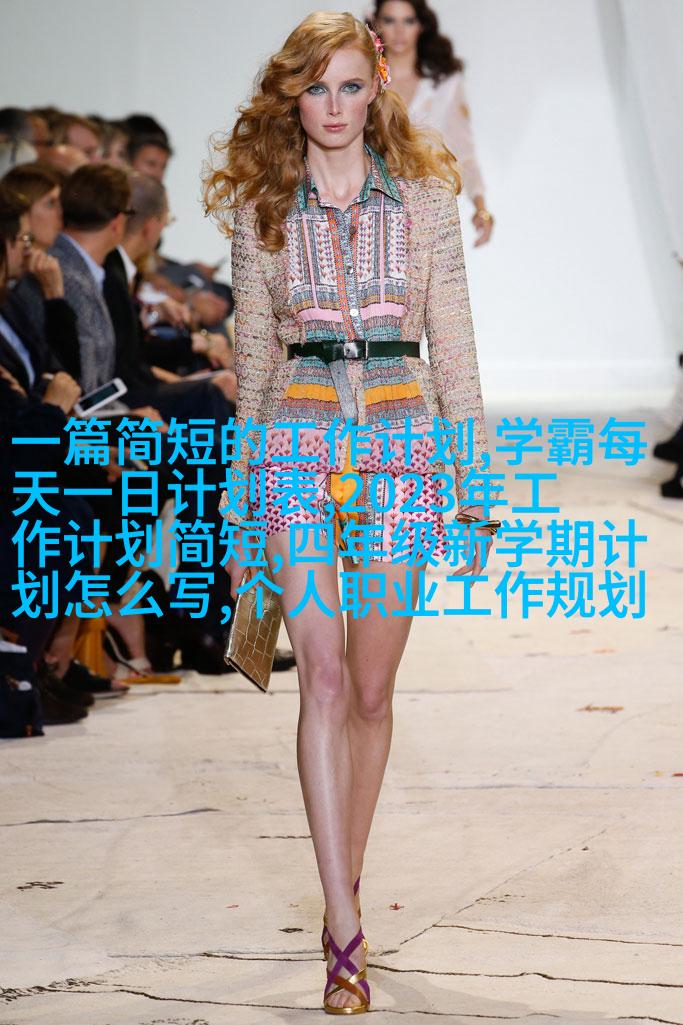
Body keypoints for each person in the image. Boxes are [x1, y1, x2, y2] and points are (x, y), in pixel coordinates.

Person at [204, 11, 499, 1013]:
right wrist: (240, 511)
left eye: (348, 86)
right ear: (292, 96)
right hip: (293, 442)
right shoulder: (261, 209)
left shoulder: (424, 200)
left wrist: (475, 488)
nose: (332, 106)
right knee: (321, 677)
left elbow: (454, 349)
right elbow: (251, 369)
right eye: (314, 88)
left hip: (400, 447)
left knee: (371, 690)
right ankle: (341, 925)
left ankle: (349, 878)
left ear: (377, 89)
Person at [371, 0, 494, 246]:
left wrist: (481, 208)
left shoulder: (444, 86)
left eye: (408, 21)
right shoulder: (363, 82)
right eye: (389, 20)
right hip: (372, 210)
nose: (399, 31)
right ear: (375, 23)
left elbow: (464, 152)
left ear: (421, 25)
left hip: (429, 212)